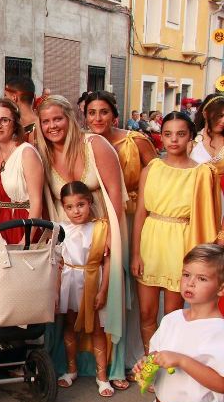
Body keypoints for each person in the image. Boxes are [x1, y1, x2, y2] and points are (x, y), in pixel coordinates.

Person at [36, 95, 129, 388]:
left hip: (102, 233)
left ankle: (111, 369)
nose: (53, 126)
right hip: (70, 240)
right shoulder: (43, 153)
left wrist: (113, 238)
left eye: (58, 119)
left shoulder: (95, 145)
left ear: (71, 118)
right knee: (70, 310)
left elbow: (116, 194)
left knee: (105, 305)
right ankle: (68, 365)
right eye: (46, 121)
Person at [131, 111, 221, 355]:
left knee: (173, 315)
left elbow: (206, 216)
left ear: (191, 136)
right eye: (168, 134)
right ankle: (149, 367)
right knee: (147, 314)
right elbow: (140, 213)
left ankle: (169, 365)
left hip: (180, 244)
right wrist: (136, 254)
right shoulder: (151, 169)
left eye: (181, 134)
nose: (174, 140)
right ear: (161, 136)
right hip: (151, 242)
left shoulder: (200, 174)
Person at [134, 244, 224, 402]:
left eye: (202, 278)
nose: (190, 283)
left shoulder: (219, 331)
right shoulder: (172, 320)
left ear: (221, 288)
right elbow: (155, 357)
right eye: (186, 275)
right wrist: (146, 368)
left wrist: (183, 361)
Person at [85, 90, 158, 373]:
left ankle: (135, 353)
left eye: (103, 112)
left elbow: (156, 173)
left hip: (133, 215)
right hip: (99, 214)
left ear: (114, 114)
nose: (97, 118)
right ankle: (105, 353)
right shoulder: (85, 141)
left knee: (132, 280)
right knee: (106, 281)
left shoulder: (134, 139)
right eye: (92, 112)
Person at [56, 182, 113, 397]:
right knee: (70, 324)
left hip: (92, 279)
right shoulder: (61, 229)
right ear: (63, 208)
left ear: (89, 202)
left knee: (97, 328)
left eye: (80, 205)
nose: (76, 211)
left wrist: (103, 290)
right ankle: (71, 370)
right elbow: (58, 260)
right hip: (70, 280)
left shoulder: (101, 228)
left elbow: (108, 262)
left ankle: (102, 376)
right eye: (69, 207)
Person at [0, 97, 43, 244]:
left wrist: (26, 241)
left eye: (4, 120)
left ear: (15, 124)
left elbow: (36, 202)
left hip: (24, 225)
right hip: (1, 223)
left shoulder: (26, 153)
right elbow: (0, 192)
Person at [191, 94, 224, 218]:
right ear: (206, 114)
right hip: (198, 205)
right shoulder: (192, 144)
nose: (223, 121)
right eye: (220, 116)